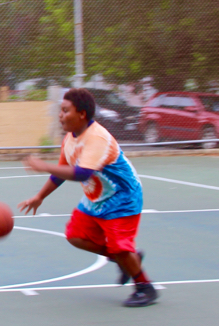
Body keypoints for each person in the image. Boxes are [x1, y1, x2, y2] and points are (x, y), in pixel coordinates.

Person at [17, 88, 158, 307]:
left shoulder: (97, 137)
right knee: (75, 236)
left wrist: (44, 165)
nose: (60, 115)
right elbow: (61, 172)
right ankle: (126, 259)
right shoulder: (69, 139)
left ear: (82, 114)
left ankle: (145, 288)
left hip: (123, 197)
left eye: (65, 111)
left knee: (120, 246)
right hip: (97, 198)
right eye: (60, 111)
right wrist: (39, 196)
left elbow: (83, 173)